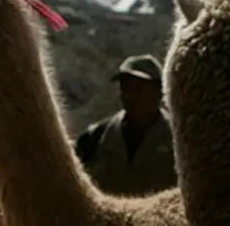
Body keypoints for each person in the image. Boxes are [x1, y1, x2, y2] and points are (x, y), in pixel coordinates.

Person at [75, 54, 176, 196]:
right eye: (125, 88)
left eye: (139, 88)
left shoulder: (179, 141)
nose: (130, 95)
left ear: (159, 91)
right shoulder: (96, 138)